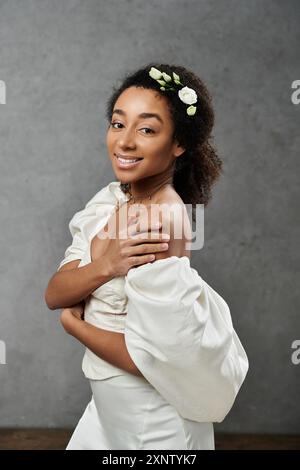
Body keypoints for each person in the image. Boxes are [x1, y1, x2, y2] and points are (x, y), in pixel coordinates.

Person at [45, 63, 249, 450]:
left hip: (151, 423)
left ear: (179, 144)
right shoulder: (114, 197)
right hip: (109, 413)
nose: (124, 142)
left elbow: (154, 359)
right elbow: (55, 294)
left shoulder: (158, 221)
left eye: (147, 129)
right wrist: (105, 265)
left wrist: (76, 327)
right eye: (119, 124)